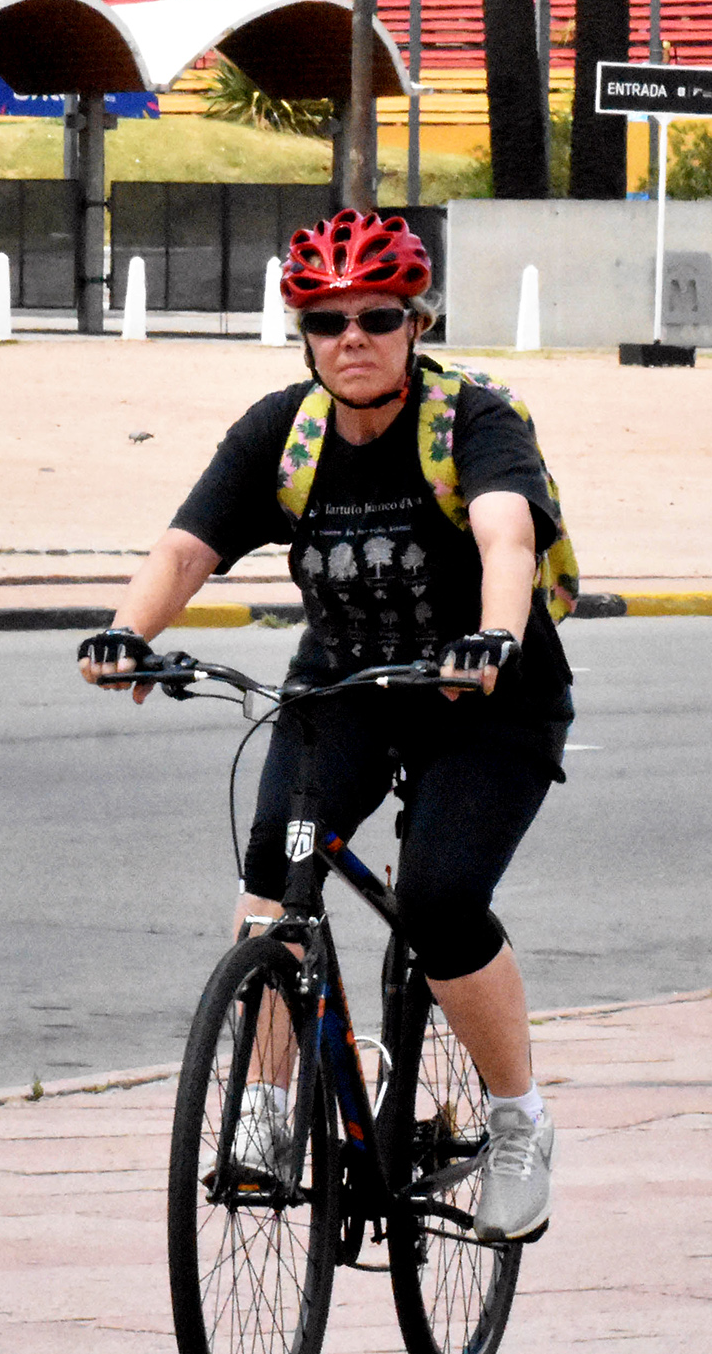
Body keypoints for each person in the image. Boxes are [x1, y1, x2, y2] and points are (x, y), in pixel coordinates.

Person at [77, 210, 574, 1244]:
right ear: (301, 328)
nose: (353, 336)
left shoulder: (469, 420)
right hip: (345, 688)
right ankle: (265, 1106)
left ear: (415, 320)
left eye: (377, 316)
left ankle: (519, 1119)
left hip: (487, 697)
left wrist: (491, 637)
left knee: (440, 897)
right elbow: (185, 549)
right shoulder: (283, 432)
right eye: (327, 318)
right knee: (274, 865)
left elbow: (506, 533)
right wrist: (127, 631)